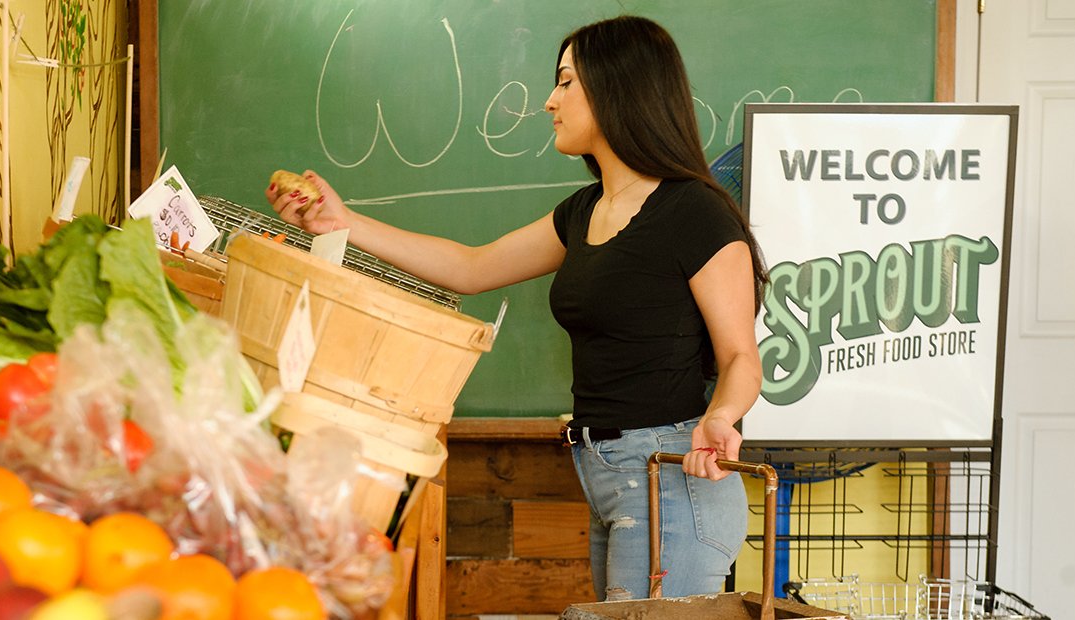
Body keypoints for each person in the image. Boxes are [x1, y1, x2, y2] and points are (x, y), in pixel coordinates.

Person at [265, 15, 768, 601]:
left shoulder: (695, 213)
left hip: (671, 476)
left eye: (565, 82)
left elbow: (740, 356)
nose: (551, 102)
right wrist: (344, 223)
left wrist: (721, 417)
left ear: (617, 88)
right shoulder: (583, 212)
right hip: (609, 475)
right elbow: (472, 267)